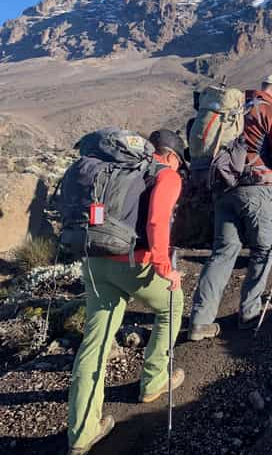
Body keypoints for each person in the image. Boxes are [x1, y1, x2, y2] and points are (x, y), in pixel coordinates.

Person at [67, 130, 186, 455]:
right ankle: (153, 381)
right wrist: (165, 268)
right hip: (135, 264)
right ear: (173, 156)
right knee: (173, 304)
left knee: (95, 342)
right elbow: (157, 224)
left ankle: (81, 432)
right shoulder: (166, 175)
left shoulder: (117, 169)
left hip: (94, 261)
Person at [188, 75, 272, 340]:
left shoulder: (237, 108)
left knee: (223, 252)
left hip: (222, 187)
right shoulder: (271, 114)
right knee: (264, 248)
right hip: (255, 189)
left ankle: (200, 320)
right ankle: (250, 312)